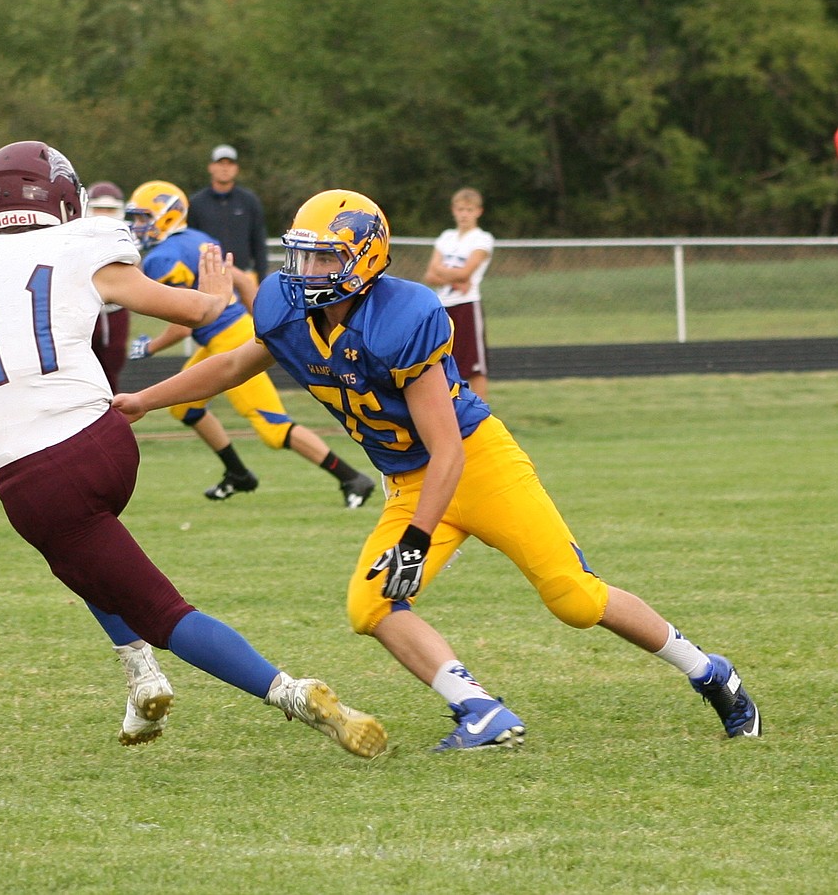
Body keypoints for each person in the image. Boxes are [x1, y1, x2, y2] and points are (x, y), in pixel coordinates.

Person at [113, 188, 762, 749]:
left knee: (574, 597)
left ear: (362, 262)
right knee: (372, 603)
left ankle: (710, 671)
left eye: (323, 257)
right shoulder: (287, 307)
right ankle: (480, 708)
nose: (305, 269)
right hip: (408, 480)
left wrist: (418, 539)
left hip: (476, 462)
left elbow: (448, 447)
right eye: (301, 254)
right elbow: (232, 364)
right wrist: (145, 397)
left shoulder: (405, 316)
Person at [0, 141, 386, 757]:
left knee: (159, 610)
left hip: (35, 473)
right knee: (84, 559)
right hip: (108, 436)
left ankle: (290, 692)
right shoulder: (81, 243)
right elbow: (195, 311)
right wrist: (215, 297)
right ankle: (140, 678)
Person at [125, 180, 376, 507]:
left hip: (229, 339)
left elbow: (183, 325)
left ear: (167, 215)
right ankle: (238, 473)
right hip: (229, 332)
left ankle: (352, 477)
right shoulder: (198, 239)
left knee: (274, 428)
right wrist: (260, 318)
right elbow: (241, 278)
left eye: (144, 217)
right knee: (184, 406)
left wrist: (150, 347)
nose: (138, 225)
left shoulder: (164, 257)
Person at [423, 187, 494, 399]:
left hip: (466, 305)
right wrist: (453, 277)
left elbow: (466, 273)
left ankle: (481, 413)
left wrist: (446, 273)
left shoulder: (482, 239)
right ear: (453, 210)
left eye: (469, 210)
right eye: (460, 209)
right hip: (443, 304)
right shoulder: (446, 237)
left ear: (478, 211)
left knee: (474, 365)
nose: (464, 214)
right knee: (441, 361)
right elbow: (430, 275)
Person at [187, 144, 268, 282]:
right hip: (207, 276)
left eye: (230, 164)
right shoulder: (196, 203)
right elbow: (189, 242)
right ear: (211, 167)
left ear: (236, 168)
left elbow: (258, 242)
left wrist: (261, 279)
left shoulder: (249, 201)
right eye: (220, 163)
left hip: (243, 277)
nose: (225, 168)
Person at [85, 181, 131, 393]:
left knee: (113, 365)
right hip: (87, 309)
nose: (104, 214)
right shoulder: (76, 237)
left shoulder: (128, 237)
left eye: (110, 209)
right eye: (99, 208)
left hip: (116, 309)